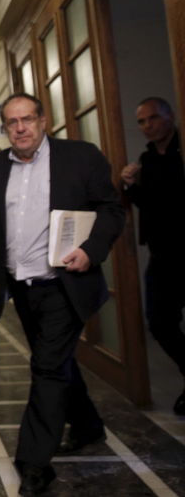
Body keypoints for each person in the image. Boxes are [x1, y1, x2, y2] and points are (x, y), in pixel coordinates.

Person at [0, 93, 124, 495]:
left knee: (47, 368)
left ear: (43, 120)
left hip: (64, 283)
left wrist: (91, 251)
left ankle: (33, 463)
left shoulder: (80, 157)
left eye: (27, 119)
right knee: (55, 360)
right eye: (11, 122)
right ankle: (87, 427)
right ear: (5, 128)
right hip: (21, 285)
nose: (20, 128)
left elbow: (111, 208)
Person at [121, 97, 185, 415]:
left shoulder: (180, 152)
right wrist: (130, 185)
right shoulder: (147, 159)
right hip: (162, 254)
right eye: (141, 121)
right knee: (160, 322)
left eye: (153, 118)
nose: (148, 126)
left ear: (170, 116)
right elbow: (150, 204)